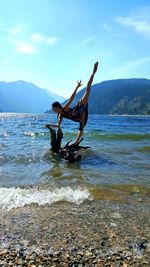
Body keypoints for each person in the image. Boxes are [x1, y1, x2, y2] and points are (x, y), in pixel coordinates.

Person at [46, 61, 99, 145]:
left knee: (88, 87)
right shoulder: (60, 115)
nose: (53, 110)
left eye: (53, 108)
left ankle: (94, 71)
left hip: (79, 109)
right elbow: (58, 126)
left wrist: (77, 87)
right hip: (77, 117)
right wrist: (49, 125)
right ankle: (76, 143)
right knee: (81, 125)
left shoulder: (65, 107)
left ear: (57, 107)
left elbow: (72, 97)